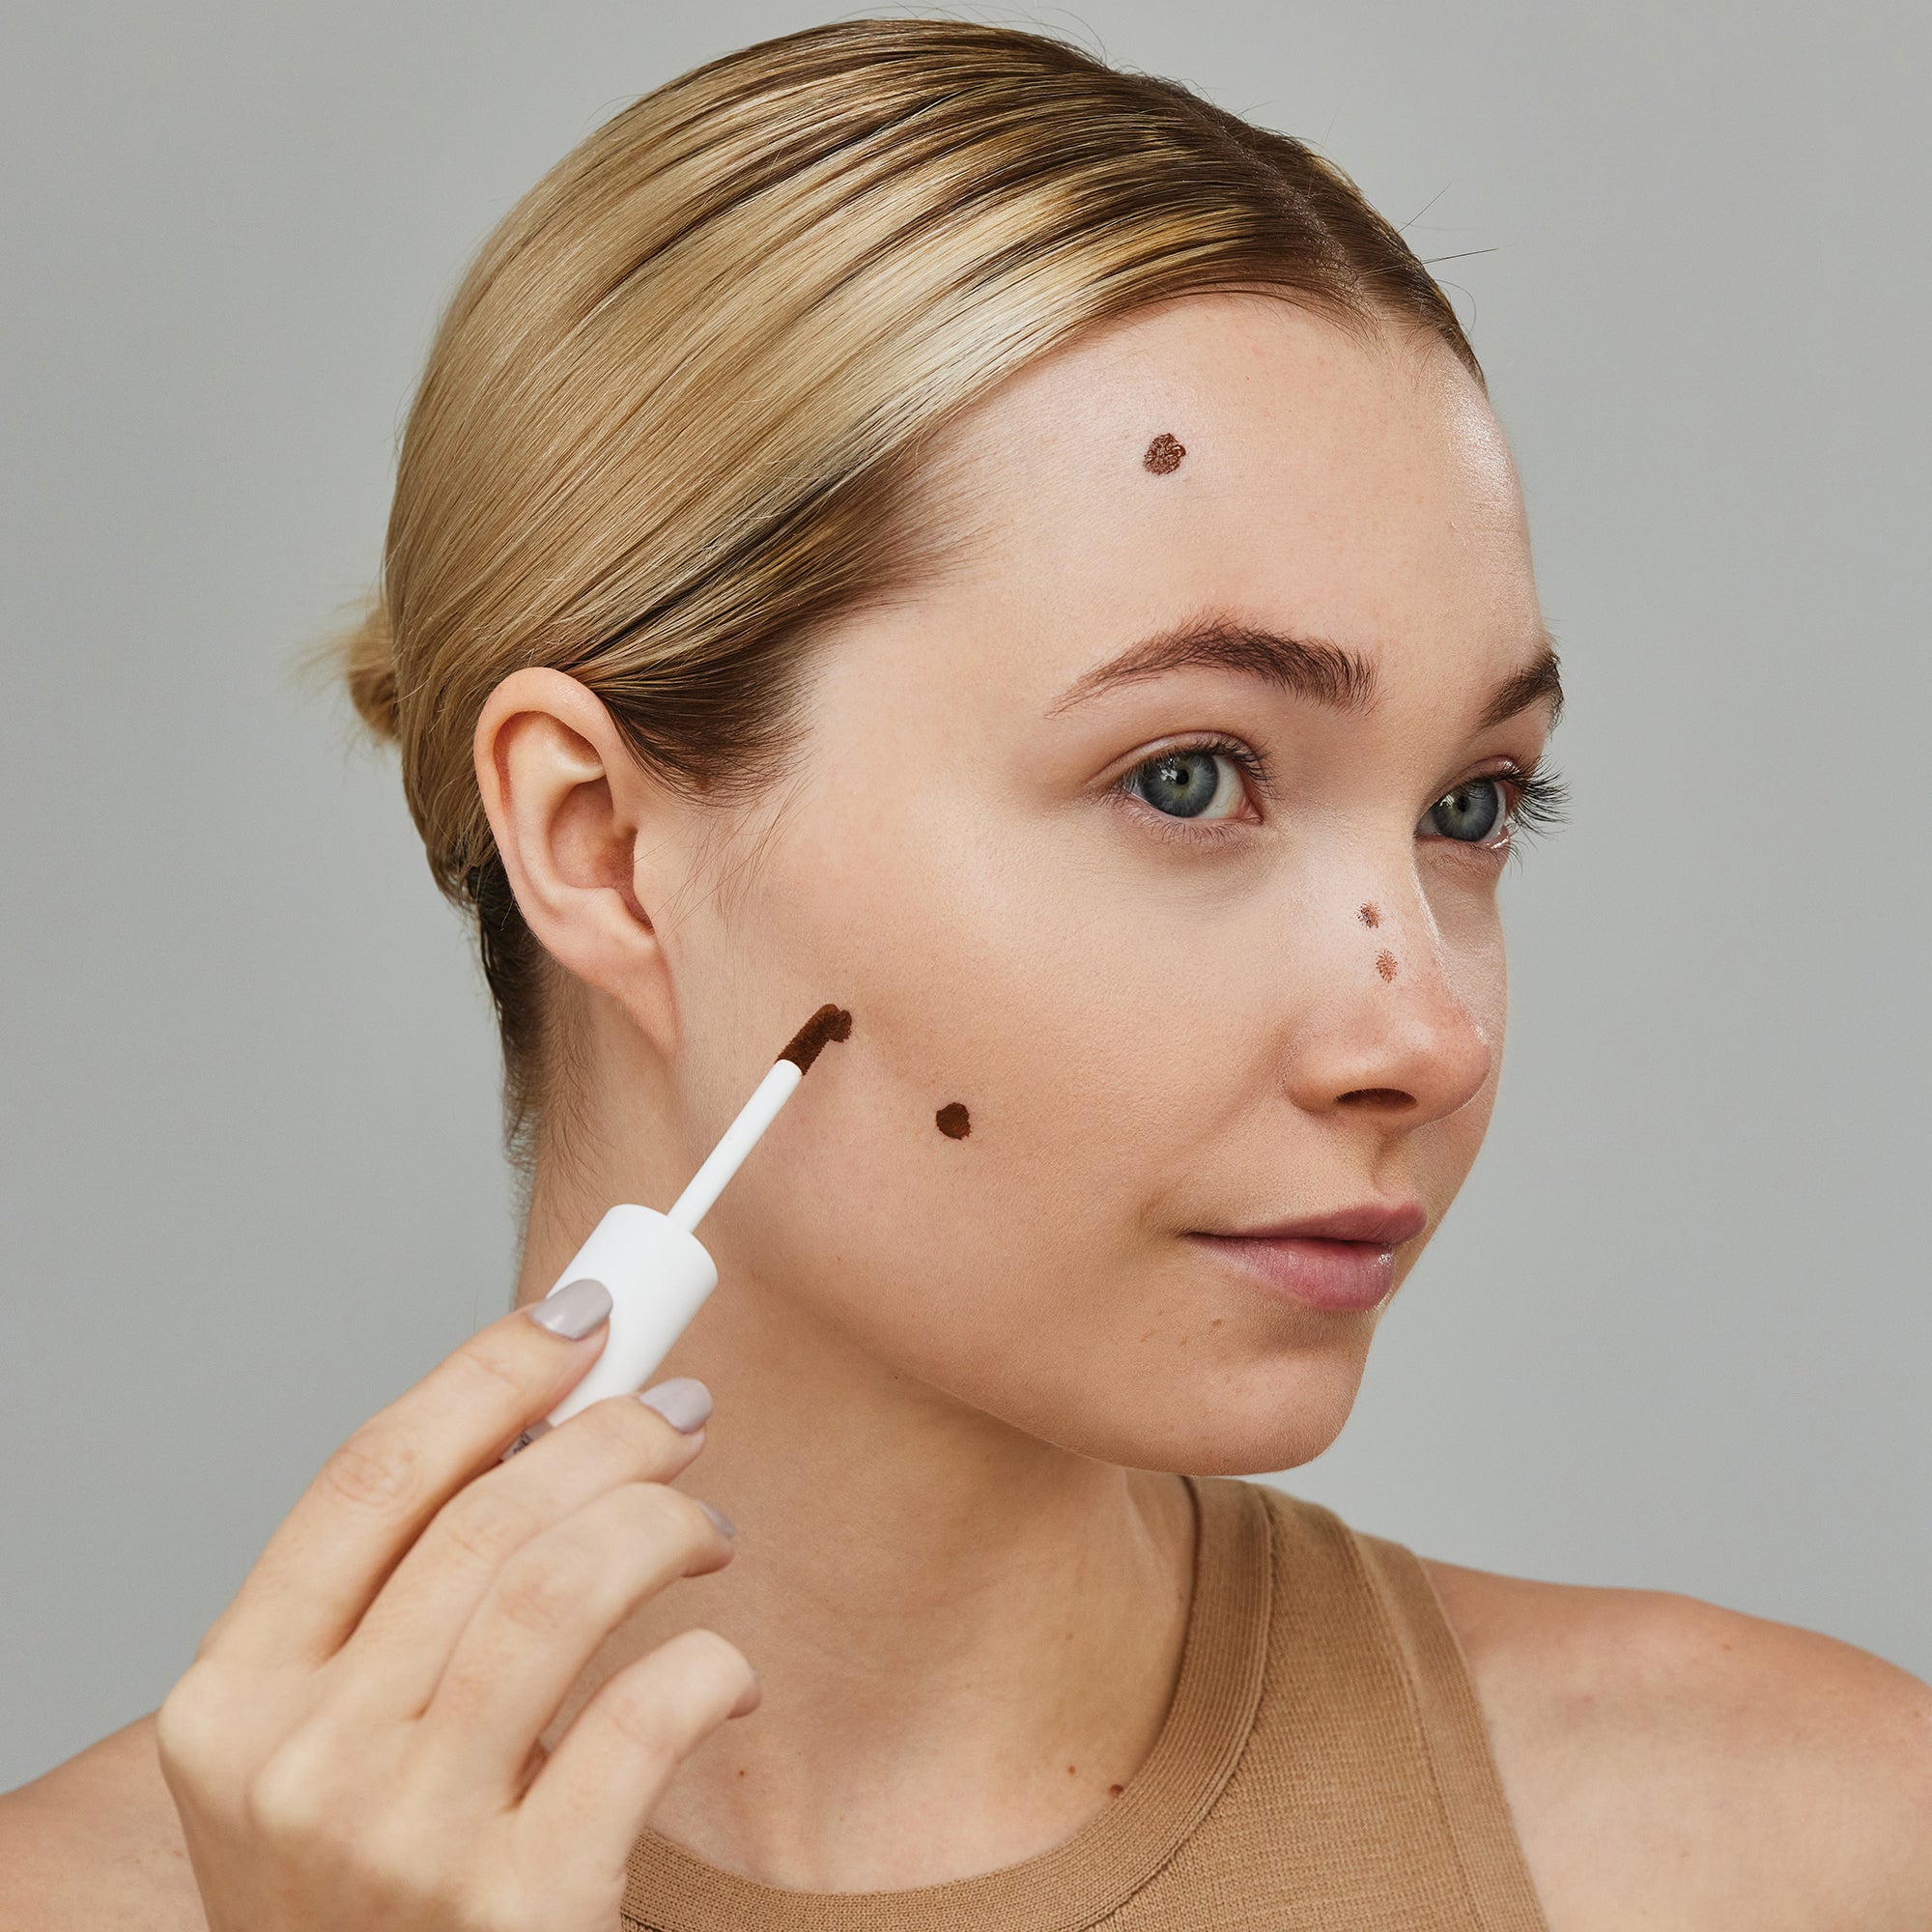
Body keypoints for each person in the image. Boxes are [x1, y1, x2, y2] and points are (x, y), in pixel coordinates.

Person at [3, 19, 1926, 1930]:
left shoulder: (1801, 1849)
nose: (1423, 1033)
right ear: (599, 844)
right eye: (1189, 778)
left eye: (1472, 805)